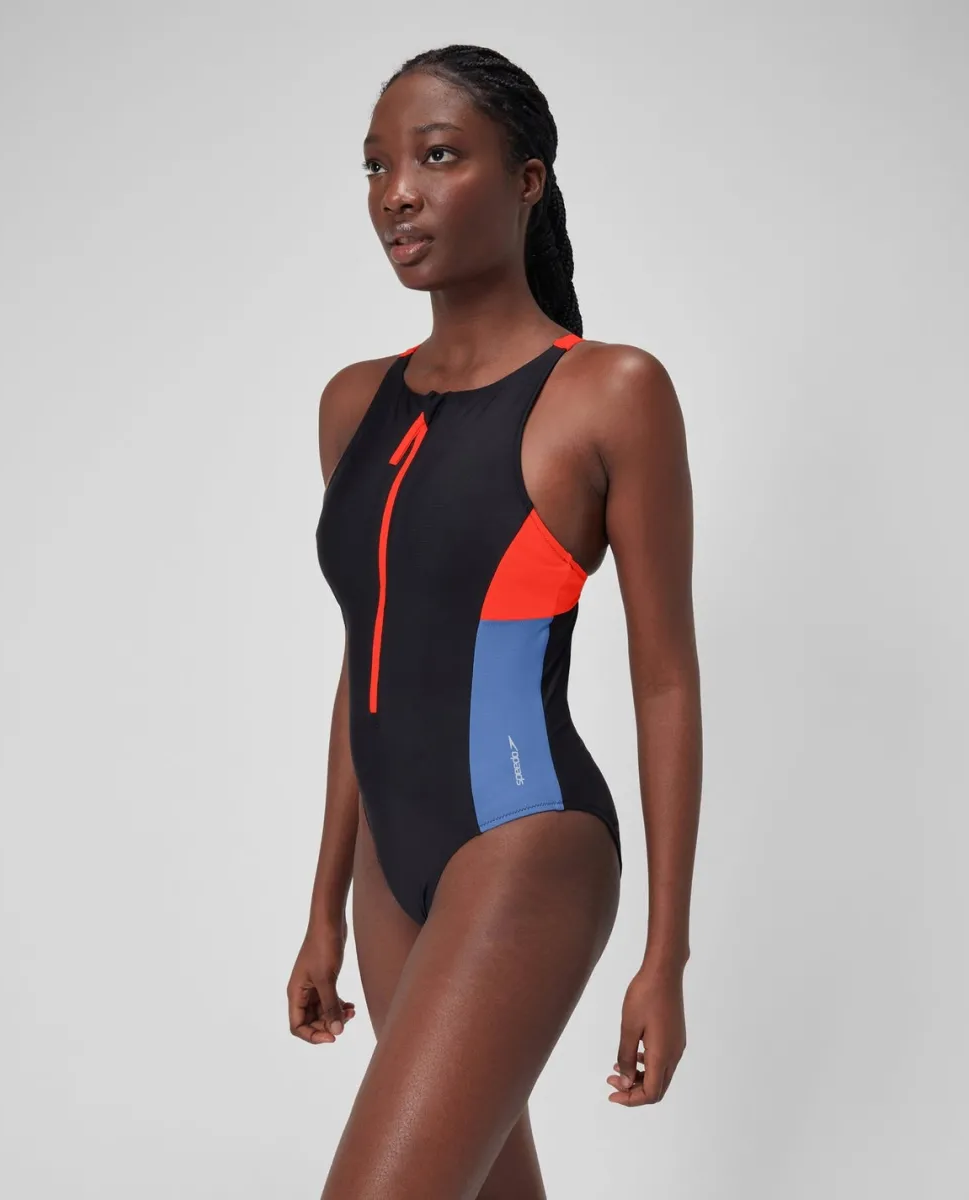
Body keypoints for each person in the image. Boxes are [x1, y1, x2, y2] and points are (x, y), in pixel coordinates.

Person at [287, 43, 702, 1199]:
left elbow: (666, 678)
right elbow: (367, 653)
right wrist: (323, 905)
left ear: (527, 180)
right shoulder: (353, 403)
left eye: (435, 157)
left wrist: (664, 955)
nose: (396, 193)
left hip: (525, 843)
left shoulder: (610, 391)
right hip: (389, 875)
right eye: (375, 166)